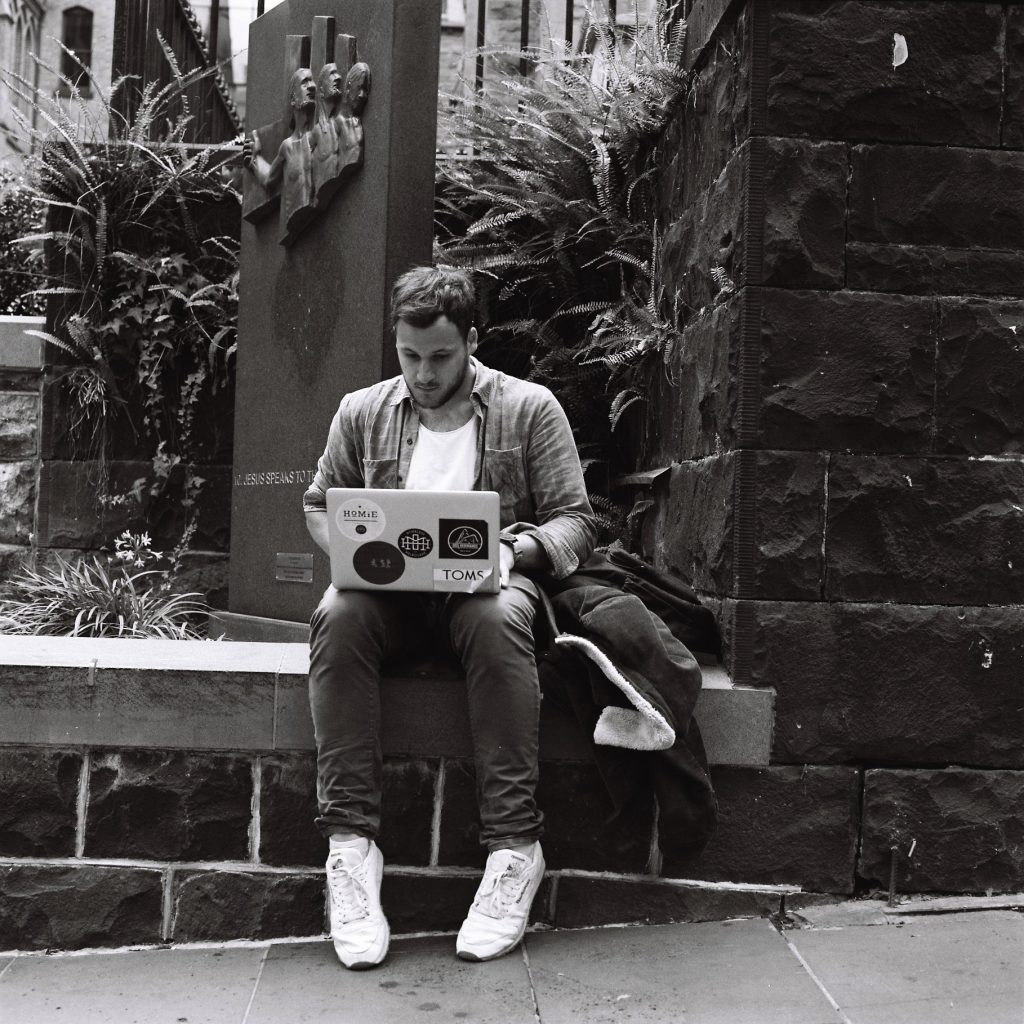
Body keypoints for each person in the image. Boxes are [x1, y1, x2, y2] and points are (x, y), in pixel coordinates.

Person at [302, 265, 597, 969]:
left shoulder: (530, 408)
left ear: (471, 339)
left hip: (488, 593)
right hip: (390, 599)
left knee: (497, 620)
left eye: (440, 357)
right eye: (409, 357)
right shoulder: (363, 410)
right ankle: (350, 850)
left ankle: (514, 849)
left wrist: (518, 550)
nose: (424, 374)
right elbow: (319, 504)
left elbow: (577, 522)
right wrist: (350, 551)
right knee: (337, 614)